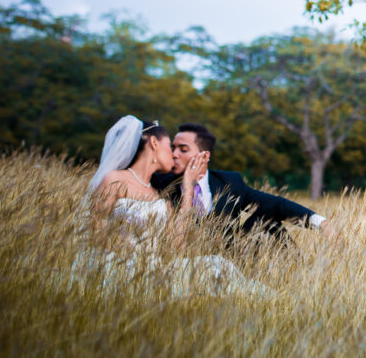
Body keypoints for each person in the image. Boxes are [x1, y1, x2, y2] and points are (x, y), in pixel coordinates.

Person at [76, 115, 264, 297]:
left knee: (217, 267)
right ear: (154, 144)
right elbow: (94, 230)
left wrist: (188, 189)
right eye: (169, 147)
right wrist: (131, 256)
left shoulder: (160, 196)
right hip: (116, 265)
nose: (174, 155)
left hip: (152, 267)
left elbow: (177, 248)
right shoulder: (115, 180)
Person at [151, 123, 334, 239]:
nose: (174, 154)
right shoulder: (160, 183)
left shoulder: (229, 181)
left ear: (204, 155)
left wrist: (320, 223)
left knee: (267, 219)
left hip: (229, 261)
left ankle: (296, 277)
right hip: (182, 260)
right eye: (173, 148)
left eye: (183, 149)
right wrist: (187, 186)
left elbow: (274, 204)